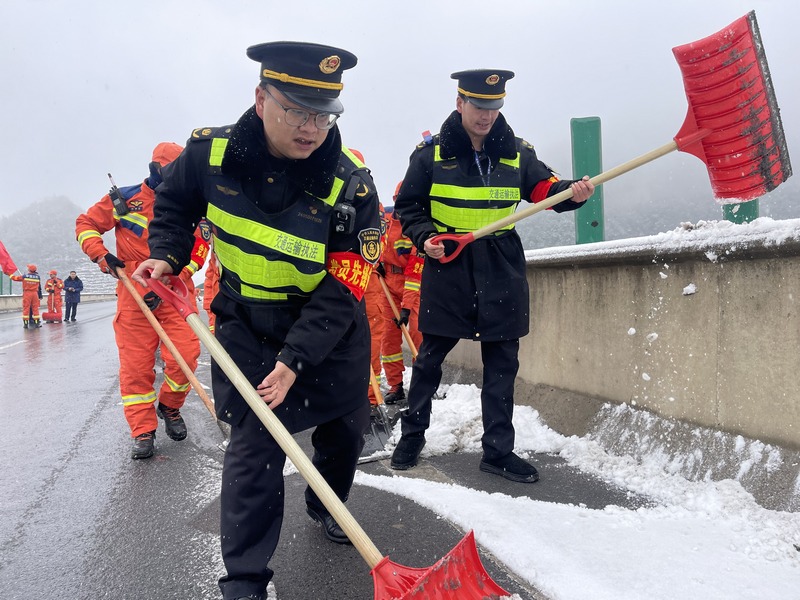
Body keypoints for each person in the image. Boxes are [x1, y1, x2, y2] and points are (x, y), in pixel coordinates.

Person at [131, 42, 380, 600]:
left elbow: (346, 287)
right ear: (261, 97)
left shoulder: (352, 184)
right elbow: (173, 206)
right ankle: (244, 580)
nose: (311, 127)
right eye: (297, 110)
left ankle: (328, 503)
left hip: (326, 328)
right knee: (255, 443)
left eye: (324, 114)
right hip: (246, 320)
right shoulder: (207, 153)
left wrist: (296, 359)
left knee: (344, 433)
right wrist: (168, 253)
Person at [390, 69, 595, 483]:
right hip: (448, 263)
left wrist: (572, 192)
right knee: (429, 360)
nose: (486, 116)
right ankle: (412, 436)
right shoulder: (429, 155)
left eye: (494, 107)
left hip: (501, 264)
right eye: (479, 106)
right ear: (460, 103)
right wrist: (426, 238)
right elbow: (408, 208)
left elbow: (545, 191)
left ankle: (499, 451)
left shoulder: (518, 153)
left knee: (503, 363)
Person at [76, 142, 211, 460]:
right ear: (158, 169)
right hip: (133, 296)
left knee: (186, 358)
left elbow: (199, 249)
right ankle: (143, 431)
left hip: (176, 295)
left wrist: (176, 275)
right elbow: (86, 225)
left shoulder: (193, 204)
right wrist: (102, 255)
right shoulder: (125, 199)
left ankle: (170, 407)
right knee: (136, 369)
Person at [379, 189, 424, 405]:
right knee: (389, 341)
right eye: (398, 199)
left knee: (417, 336)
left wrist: (406, 306)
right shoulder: (386, 222)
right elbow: (374, 243)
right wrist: (377, 262)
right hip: (387, 285)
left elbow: (415, 273)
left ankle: (422, 384)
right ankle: (395, 386)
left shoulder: (417, 229)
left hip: (412, 289)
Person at [11, 264, 42, 328]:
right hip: (35, 293)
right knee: (35, 308)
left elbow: (15, 278)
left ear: (29, 269)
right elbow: (39, 286)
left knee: (26, 308)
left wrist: (10, 275)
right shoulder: (38, 277)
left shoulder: (25, 276)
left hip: (27, 293)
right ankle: (36, 323)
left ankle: (25, 324)